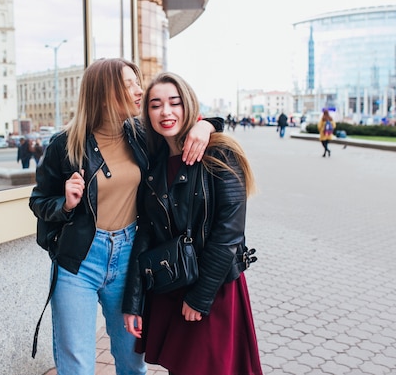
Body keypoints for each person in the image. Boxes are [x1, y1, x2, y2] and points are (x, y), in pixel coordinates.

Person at [28, 58, 222, 375]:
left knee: (132, 362)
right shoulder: (65, 145)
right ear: (104, 93)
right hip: (79, 262)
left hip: (129, 258)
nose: (138, 90)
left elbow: (186, 123)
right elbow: (38, 200)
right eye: (129, 84)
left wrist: (206, 125)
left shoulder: (142, 135)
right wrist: (64, 204)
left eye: (137, 82)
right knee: (76, 365)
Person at [122, 72, 262, 375]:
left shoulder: (219, 153)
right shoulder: (153, 163)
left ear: (188, 105)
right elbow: (145, 232)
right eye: (155, 105)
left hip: (213, 285)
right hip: (171, 282)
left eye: (174, 103)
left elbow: (229, 234)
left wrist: (200, 297)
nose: (166, 112)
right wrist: (133, 301)